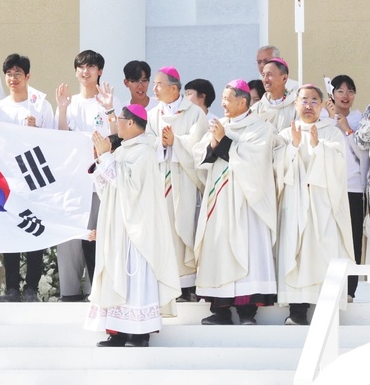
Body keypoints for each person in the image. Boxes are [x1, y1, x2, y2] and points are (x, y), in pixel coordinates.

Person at [85, 104, 180, 347]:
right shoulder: (124, 150)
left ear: (130, 123)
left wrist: (107, 156)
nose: (116, 123)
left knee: (134, 277)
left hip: (136, 229)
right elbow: (107, 187)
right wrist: (102, 159)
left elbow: (130, 188)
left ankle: (139, 333)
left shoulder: (145, 152)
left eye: (120, 120)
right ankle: (117, 330)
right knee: (116, 274)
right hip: (117, 225)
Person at [193, 80, 279, 325]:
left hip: (246, 203)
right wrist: (213, 143)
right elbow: (200, 155)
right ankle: (220, 310)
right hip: (220, 201)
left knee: (248, 251)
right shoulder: (220, 125)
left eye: (227, 99)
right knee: (219, 250)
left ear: (243, 101)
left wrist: (223, 141)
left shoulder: (260, 128)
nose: (222, 103)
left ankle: (247, 311)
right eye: (222, 98)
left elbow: (256, 162)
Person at [277, 84, 354, 324]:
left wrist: (318, 147)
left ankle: (326, 312)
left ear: (322, 106)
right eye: (304, 100)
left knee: (324, 253)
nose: (308, 105)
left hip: (323, 205)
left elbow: (339, 166)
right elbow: (277, 169)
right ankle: (297, 312)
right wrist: (295, 146)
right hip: (294, 203)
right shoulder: (285, 134)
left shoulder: (330, 132)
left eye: (314, 101)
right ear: (295, 104)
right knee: (296, 253)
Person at [0, 54, 54, 302]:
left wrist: (36, 131)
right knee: (10, 232)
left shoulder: (41, 106)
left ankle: (32, 288)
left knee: (34, 231)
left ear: (28, 76)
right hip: (8, 179)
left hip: (35, 177)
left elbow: (54, 141)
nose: (13, 79)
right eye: (9, 74)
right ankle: (12, 287)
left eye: (18, 74)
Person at [55, 49, 120, 301]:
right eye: (81, 67)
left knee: (99, 237)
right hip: (73, 182)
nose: (85, 72)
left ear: (99, 71)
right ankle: (69, 293)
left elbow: (118, 137)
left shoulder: (108, 102)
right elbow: (60, 139)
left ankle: (99, 292)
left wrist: (110, 108)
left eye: (91, 67)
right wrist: (61, 109)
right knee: (70, 238)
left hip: (100, 183)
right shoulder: (69, 103)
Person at [147, 67, 208, 302]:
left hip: (184, 180)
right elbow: (146, 143)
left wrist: (176, 142)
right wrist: (161, 145)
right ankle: (165, 284)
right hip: (161, 179)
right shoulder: (153, 115)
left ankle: (187, 286)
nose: (154, 88)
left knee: (184, 228)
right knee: (163, 231)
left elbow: (199, 145)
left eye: (159, 84)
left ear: (174, 88)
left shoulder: (194, 114)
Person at [323, 75, 368, 301]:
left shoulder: (361, 119)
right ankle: (328, 286)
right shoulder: (323, 118)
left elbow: (362, 155)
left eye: (350, 91)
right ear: (332, 94)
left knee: (352, 239)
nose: (345, 96)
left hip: (353, 188)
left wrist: (346, 128)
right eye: (340, 91)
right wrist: (333, 121)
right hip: (329, 188)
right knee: (330, 237)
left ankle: (349, 290)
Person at [250, 58, 297, 132]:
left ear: (284, 78)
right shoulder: (258, 107)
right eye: (263, 75)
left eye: (269, 75)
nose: (265, 80)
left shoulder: (296, 105)